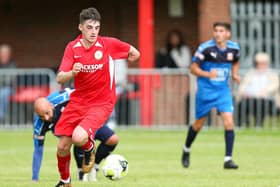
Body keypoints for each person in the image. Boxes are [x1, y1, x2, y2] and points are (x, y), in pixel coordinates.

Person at [54, 7, 140, 187]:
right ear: (80, 27)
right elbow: (60, 77)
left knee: (79, 138)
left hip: (102, 102)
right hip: (78, 101)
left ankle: (89, 149)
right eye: (89, 27)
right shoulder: (72, 48)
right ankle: (65, 182)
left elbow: (135, 53)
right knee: (62, 147)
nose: (93, 32)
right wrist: (72, 72)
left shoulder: (107, 44)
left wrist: (129, 57)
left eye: (96, 28)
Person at [181, 22, 241, 169]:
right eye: (215, 31)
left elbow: (235, 61)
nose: (218, 33)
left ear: (228, 34)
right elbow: (193, 68)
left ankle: (228, 159)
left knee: (229, 121)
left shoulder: (234, 48)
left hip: (223, 91)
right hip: (206, 91)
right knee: (198, 124)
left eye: (221, 31)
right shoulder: (205, 48)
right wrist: (207, 74)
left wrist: (234, 74)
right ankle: (186, 149)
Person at [32, 88, 119, 182]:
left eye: (47, 113)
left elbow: (82, 92)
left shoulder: (64, 97)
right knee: (76, 137)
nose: (46, 118)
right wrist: (35, 178)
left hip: (87, 118)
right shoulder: (39, 124)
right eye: (41, 116)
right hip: (74, 134)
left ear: (51, 105)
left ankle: (94, 166)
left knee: (112, 140)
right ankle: (81, 172)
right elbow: (38, 150)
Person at [236, 52, 279, 127]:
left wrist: (265, 91)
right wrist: (244, 92)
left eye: (263, 63)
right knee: (241, 104)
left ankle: (258, 125)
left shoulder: (272, 74)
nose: (261, 65)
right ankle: (241, 125)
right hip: (250, 98)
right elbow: (243, 86)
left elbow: (275, 86)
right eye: (259, 63)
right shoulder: (250, 74)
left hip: (267, 99)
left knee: (261, 104)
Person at [0, 44, 16, 122]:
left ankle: (1, 116)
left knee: (3, 93)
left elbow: (9, 80)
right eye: (2, 53)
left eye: (5, 53)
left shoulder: (12, 64)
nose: (4, 55)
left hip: (9, 88)